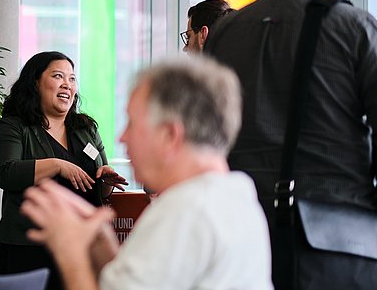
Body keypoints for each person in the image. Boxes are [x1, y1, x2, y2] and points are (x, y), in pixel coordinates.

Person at [204, 0, 377, 288]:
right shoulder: (355, 27)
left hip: (244, 234)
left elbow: (208, 136)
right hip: (341, 241)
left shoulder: (226, 33)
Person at [20, 56, 273, 290]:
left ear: (169, 135)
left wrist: (70, 250)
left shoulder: (183, 211)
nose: (123, 137)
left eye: (132, 123)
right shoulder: (236, 195)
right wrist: (103, 244)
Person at [0, 51, 127, 290]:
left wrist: (105, 180)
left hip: (81, 247)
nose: (68, 85)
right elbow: (5, 172)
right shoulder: (15, 126)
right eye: (58, 76)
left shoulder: (85, 129)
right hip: (28, 248)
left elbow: (99, 186)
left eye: (72, 79)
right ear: (35, 82)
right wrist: (57, 165)